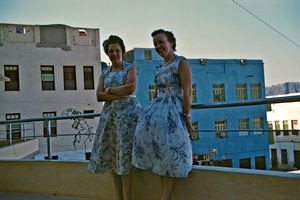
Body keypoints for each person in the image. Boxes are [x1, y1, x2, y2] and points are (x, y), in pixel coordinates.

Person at [132, 29, 193, 200]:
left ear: (171, 42)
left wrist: (187, 116)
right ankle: (167, 196)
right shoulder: (158, 68)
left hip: (174, 112)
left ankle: (164, 197)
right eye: (155, 44)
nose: (158, 46)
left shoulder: (181, 62)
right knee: (160, 153)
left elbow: (187, 91)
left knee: (171, 152)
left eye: (161, 42)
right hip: (157, 112)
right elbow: (156, 92)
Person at [88, 35, 141, 200]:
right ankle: (118, 196)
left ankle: (127, 197)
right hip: (110, 121)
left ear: (122, 51)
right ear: (107, 53)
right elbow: (98, 96)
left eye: (117, 50)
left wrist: (110, 91)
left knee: (125, 158)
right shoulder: (104, 73)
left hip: (127, 121)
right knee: (113, 158)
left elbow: (131, 88)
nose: (114, 53)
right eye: (111, 51)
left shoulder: (130, 68)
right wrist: (119, 92)